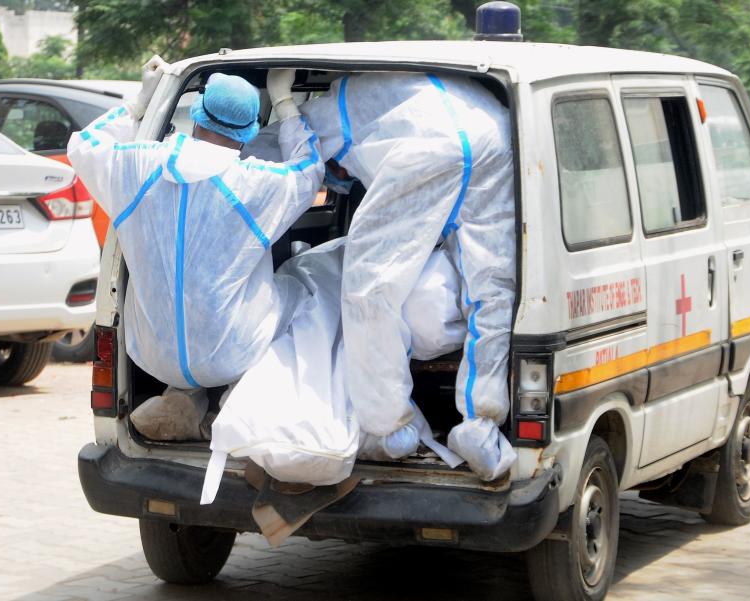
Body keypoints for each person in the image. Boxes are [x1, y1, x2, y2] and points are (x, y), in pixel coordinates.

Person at [67, 58, 323, 439]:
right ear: (250, 133)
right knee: (307, 282)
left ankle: (183, 398)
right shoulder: (256, 184)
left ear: (198, 115)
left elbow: (83, 145)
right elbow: (310, 169)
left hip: (150, 357)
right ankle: (245, 395)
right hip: (233, 356)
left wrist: (141, 101)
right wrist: (285, 103)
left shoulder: (136, 167)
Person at [298, 72, 517, 481]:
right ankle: (481, 427)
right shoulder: (418, 85)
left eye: (337, 175)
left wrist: (279, 109)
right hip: (495, 136)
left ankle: (390, 428)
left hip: (429, 147)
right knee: (492, 287)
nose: (342, 179)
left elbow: (283, 147)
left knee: (369, 286)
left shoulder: (335, 104)